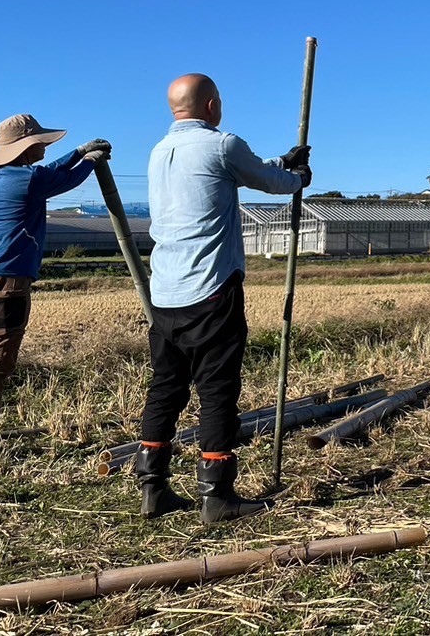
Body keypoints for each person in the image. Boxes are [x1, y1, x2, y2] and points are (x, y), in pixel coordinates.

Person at [136, 73, 311, 523]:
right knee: (217, 391)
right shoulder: (222, 143)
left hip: (166, 293)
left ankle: (152, 487)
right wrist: (296, 177)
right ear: (212, 105)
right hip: (211, 289)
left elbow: (236, 170)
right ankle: (217, 495)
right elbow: (269, 182)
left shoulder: (160, 152)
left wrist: (280, 162)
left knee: (166, 388)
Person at [0, 115, 110, 461]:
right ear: (27, 146)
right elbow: (66, 178)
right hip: (4, 284)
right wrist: (89, 160)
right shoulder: (29, 180)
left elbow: (51, 170)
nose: (44, 145)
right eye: (40, 141)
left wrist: (80, 151)